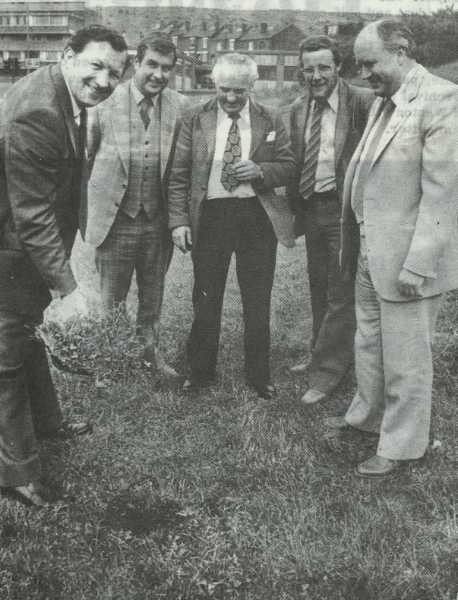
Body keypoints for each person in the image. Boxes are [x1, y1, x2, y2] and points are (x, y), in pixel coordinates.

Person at [0, 26, 128, 506]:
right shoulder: (38, 110)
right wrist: (67, 288)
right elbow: (32, 215)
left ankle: (48, 423)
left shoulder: (60, 90)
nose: (104, 81)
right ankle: (16, 471)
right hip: (10, 250)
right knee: (6, 357)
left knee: (28, 338)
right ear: (68, 55)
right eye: (96, 66)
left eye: (114, 73)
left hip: (23, 246)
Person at [328, 19, 458, 477]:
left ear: (401, 52)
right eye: (359, 65)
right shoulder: (386, 99)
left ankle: (402, 446)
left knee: (406, 357)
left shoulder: (442, 98)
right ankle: (368, 418)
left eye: (370, 63)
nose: (363, 74)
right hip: (371, 250)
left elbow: (443, 194)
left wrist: (418, 264)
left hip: (407, 260)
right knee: (369, 343)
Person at [168, 53, 296, 399]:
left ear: (252, 86)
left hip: (256, 216)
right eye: (224, 89)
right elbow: (178, 173)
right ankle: (200, 372)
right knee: (206, 297)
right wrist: (178, 221)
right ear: (214, 83)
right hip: (212, 215)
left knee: (257, 298)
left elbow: (289, 165)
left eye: (240, 90)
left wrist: (261, 171)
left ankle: (259, 375)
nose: (231, 97)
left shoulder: (271, 117)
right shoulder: (195, 117)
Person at [86, 35, 189, 376]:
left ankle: (150, 357)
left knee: (152, 298)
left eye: (167, 68)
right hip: (115, 222)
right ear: (136, 64)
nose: (159, 75)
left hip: (157, 222)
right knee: (111, 301)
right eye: (152, 65)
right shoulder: (104, 102)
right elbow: (85, 162)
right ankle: (108, 363)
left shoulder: (180, 107)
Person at [285, 36, 373, 405]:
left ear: (338, 66)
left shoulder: (363, 101)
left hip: (344, 211)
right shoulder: (298, 108)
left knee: (341, 293)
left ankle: (328, 373)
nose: (316, 75)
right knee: (319, 285)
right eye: (309, 69)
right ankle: (318, 351)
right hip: (311, 209)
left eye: (323, 67)